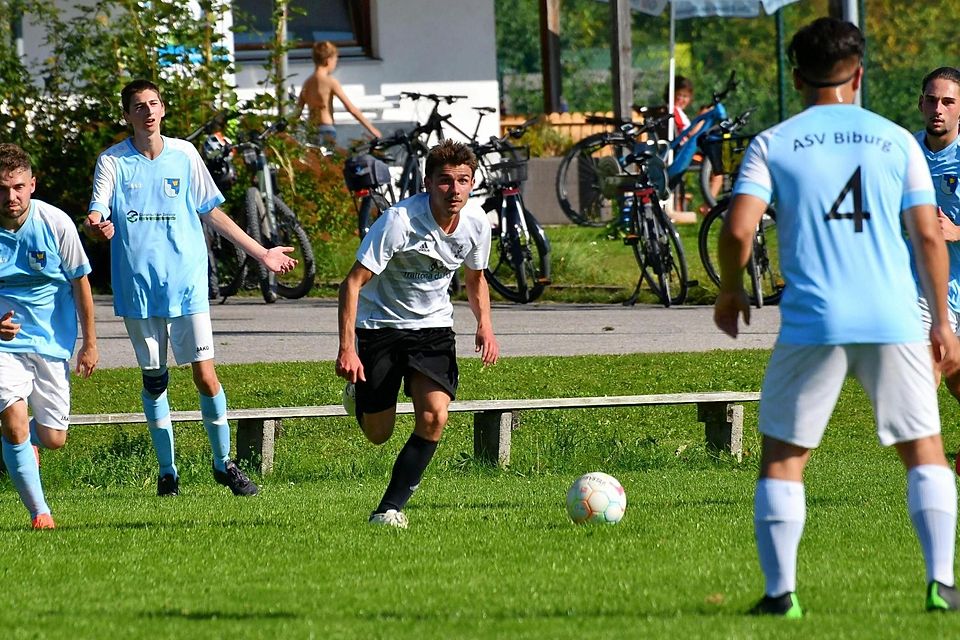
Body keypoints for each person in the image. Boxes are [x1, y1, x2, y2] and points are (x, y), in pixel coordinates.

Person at [714, 17, 960, 617]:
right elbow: (929, 235)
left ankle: (782, 595)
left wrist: (731, 289)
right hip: (894, 315)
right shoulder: (896, 141)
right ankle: (942, 584)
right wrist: (941, 322)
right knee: (924, 449)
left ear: (797, 77)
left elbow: (739, 230)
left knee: (783, 456)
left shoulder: (773, 143)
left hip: (815, 319)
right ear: (859, 74)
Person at [83, 79, 298, 498]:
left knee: (205, 375)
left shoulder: (184, 154)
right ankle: (168, 472)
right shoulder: (112, 161)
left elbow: (212, 213)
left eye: (153, 103)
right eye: (138, 106)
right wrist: (96, 224)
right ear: (127, 116)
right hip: (138, 289)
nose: (148, 111)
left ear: (162, 109)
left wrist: (262, 253)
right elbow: (97, 210)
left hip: (186, 284)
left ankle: (224, 464)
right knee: (154, 380)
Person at [335, 139, 499, 528]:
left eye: (463, 180)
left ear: (472, 183)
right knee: (379, 434)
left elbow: (475, 279)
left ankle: (388, 509)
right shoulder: (399, 221)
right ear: (427, 183)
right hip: (380, 326)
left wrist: (485, 325)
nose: (454, 190)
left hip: (433, 329)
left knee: (434, 416)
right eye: (445, 180)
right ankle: (359, 394)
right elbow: (352, 284)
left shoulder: (477, 223)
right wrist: (347, 349)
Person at [0, 143, 98, 529]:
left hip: (52, 343)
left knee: (54, 437)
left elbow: (81, 283)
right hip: (5, 346)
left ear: (32, 185)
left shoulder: (56, 223)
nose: (11, 197)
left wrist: (90, 343)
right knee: (14, 421)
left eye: (18, 187)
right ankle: (40, 513)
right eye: (2, 189)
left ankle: (22, 445)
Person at [914, 67, 960, 474]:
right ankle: (928, 471)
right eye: (932, 100)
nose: (938, 109)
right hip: (923, 289)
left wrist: (957, 232)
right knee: (924, 376)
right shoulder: (904, 156)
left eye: (948, 101)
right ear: (921, 104)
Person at [293, 41, 382, 146]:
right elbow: (351, 108)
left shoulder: (307, 83)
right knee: (330, 156)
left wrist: (289, 131)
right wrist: (372, 129)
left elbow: (297, 112)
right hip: (326, 129)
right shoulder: (330, 81)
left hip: (312, 130)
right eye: (335, 60)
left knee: (316, 156)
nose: (335, 64)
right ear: (328, 60)